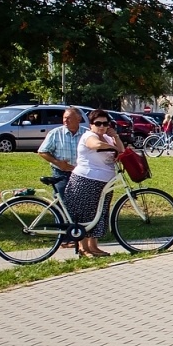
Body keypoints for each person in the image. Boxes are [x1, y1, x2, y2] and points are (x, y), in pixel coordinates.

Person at [64, 110, 126, 257]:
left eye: (105, 123)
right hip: (86, 180)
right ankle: (83, 248)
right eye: (98, 123)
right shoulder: (88, 135)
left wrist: (115, 137)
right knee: (85, 214)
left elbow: (122, 150)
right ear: (91, 124)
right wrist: (113, 148)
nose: (102, 126)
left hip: (104, 183)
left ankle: (94, 247)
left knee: (99, 214)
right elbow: (95, 145)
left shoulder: (108, 138)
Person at [37, 106, 85, 199]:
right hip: (61, 173)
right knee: (61, 202)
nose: (65, 120)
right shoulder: (55, 133)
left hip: (81, 173)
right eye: (64, 118)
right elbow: (42, 151)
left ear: (78, 119)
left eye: (69, 118)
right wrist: (58, 163)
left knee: (80, 201)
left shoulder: (86, 133)